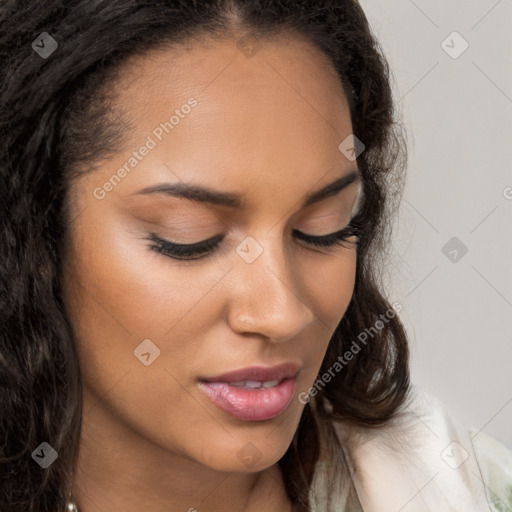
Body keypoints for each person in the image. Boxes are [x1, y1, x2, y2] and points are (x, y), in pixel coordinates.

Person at [1, 1, 510, 511]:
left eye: (324, 228)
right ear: (34, 234)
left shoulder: (462, 487)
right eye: (190, 238)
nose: (283, 314)